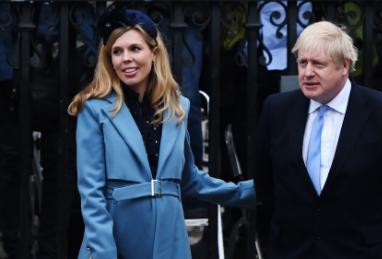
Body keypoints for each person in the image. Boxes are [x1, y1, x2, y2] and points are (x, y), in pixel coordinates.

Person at [67, 8, 255, 259]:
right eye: (117, 51)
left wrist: (246, 192)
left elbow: (189, 178)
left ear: (154, 53)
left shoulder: (177, 107)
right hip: (116, 240)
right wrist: (103, 250)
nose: (126, 59)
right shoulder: (94, 109)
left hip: (170, 239)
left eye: (135, 48)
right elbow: (91, 193)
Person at [253, 21, 382, 259]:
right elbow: (265, 184)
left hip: (361, 251)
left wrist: (376, 234)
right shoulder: (277, 109)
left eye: (318, 64)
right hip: (292, 251)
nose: (307, 73)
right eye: (303, 62)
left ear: (345, 65)